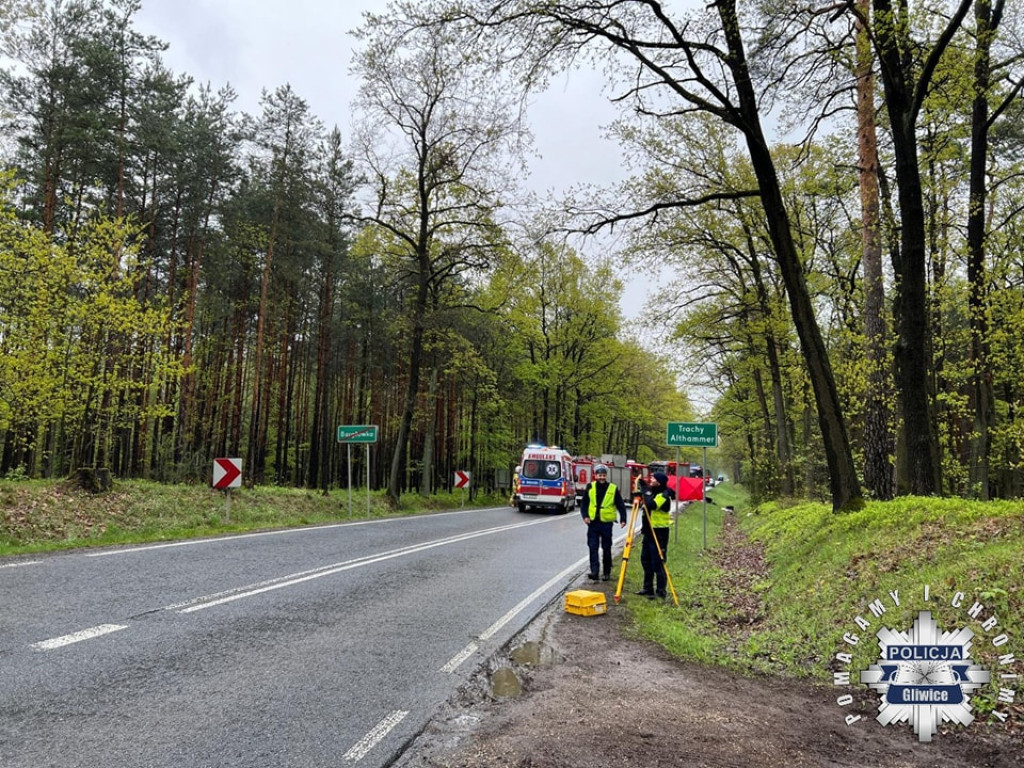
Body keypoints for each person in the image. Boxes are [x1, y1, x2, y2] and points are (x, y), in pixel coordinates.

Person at [579, 464, 627, 581]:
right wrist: (585, 516)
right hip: (593, 523)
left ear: (606, 476)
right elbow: (584, 504)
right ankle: (594, 571)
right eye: (599, 475)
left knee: (606, 548)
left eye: (604, 475)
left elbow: (620, 504)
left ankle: (606, 572)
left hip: (606, 524)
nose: (601, 477)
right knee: (592, 547)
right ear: (595, 475)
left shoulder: (612, 488)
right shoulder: (590, 487)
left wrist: (623, 519)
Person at [637, 471, 675, 599]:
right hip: (648, 531)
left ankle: (660, 591)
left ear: (659, 481)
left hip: (659, 532)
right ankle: (648, 588)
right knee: (645, 560)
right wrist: (644, 490)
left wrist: (645, 491)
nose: (651, 479)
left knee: (657, 562)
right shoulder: (653, 491)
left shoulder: (664, 494)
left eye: (653, 478)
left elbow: (651, 504)